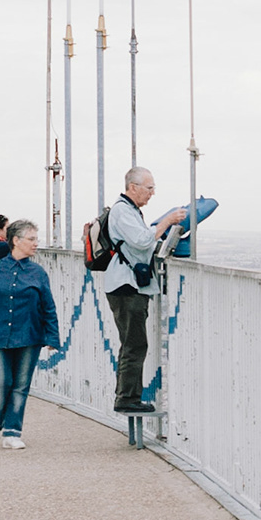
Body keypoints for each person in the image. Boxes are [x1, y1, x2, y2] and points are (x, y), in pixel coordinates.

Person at [99, 166, 186, 413]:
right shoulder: (122, 211)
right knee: (134, 344)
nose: (152, 193)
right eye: (149, 188)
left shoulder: (129, 210)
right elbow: (142, 240)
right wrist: (167, 221)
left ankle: (129, 397)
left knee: (133, 343)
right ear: (133, 187)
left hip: (128, 285)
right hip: (126, 287)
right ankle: (127, 399)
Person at [0, 219, 60, 449]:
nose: (35, 244)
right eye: (31, 239)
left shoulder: (38, 273)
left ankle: (13, 432)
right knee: (1, 382)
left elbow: (47, 305)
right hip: (0, 333)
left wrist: (52, 336)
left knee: (21, 385)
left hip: (29, 335)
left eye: (36, 239)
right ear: (16, 241)